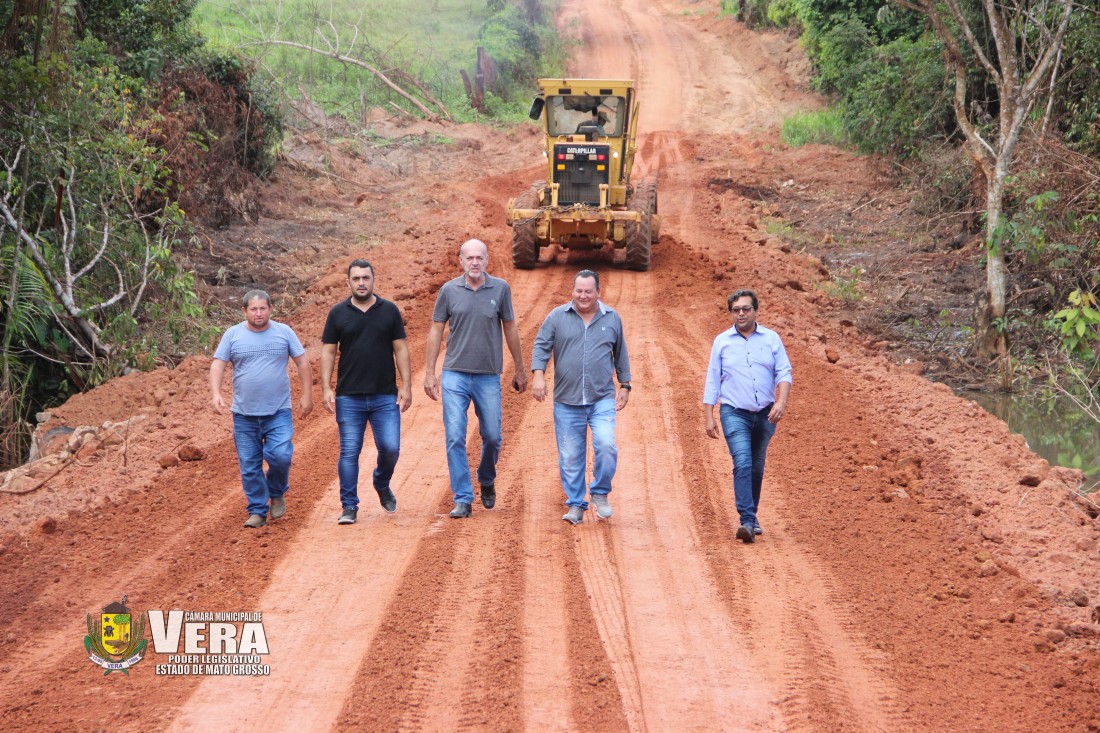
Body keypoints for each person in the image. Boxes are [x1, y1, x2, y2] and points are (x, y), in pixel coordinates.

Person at [424, 239, 528, 518]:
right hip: (454, 374)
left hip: (488, 375)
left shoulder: (500, 288)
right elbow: (435, 332)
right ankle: (463, 498)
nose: (474, 262)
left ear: (487, 260)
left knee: (493, 436)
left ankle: (486, 478)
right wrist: (430, 372)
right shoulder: (448, 291)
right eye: (469, 258)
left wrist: (519, 368)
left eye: (479, 257)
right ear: (460, 261)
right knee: (455, 436)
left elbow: (511, 329)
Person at [531, 270, 631, 525]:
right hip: (567, 399)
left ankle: (599, 493)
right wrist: (539, 375)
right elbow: (542, 345)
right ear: (572, 291)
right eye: (579, 291)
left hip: (602, 397)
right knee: (570, 456)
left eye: (588, 291)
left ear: (598, 292)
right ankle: (576, 504)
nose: (583, 296)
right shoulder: (557, 317)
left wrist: (625, 384)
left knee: (607, 446)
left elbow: (621, 353)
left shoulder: (612, 318)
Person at [210, 290, 314, 528]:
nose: (259, 313)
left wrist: (307, 395)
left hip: (278, 412)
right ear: (244, 311)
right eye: (254, 309)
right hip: (244, 415)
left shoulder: (284, 332)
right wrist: (216, 394)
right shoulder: (233, 334)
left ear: (270, 309)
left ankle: (276, 491)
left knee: (281, 455)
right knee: (249, 464)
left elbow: (302, 362)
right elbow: (218, 364)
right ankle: (257, 510)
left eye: (263, 308)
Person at [321, 259, 412, 525]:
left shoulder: (389, 311)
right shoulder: (338, 313)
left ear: (374, 280)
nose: (361, 283)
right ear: (348, 282)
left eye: (366, 278)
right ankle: (349, 506)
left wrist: (406, 385)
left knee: (391, 448)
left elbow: (401, 349)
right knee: (349, 451)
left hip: (385, 396)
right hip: (349, 396)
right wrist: (326, 386)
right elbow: (328, 351)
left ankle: (381, 482)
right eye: (356, 278)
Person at [702, 289, 792, 544]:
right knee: (742, 462)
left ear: (755, 310)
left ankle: (751, 518)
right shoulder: (722, 341)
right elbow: (712, 380)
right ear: (731, 313)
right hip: (733, 412)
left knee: (756, 467)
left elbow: (784, 372)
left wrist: (781, 403)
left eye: (746, 309)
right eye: (736, 310)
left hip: (765, 414)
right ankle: (747, 521)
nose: (741, 313)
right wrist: (709, 415)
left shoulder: (771, 339)